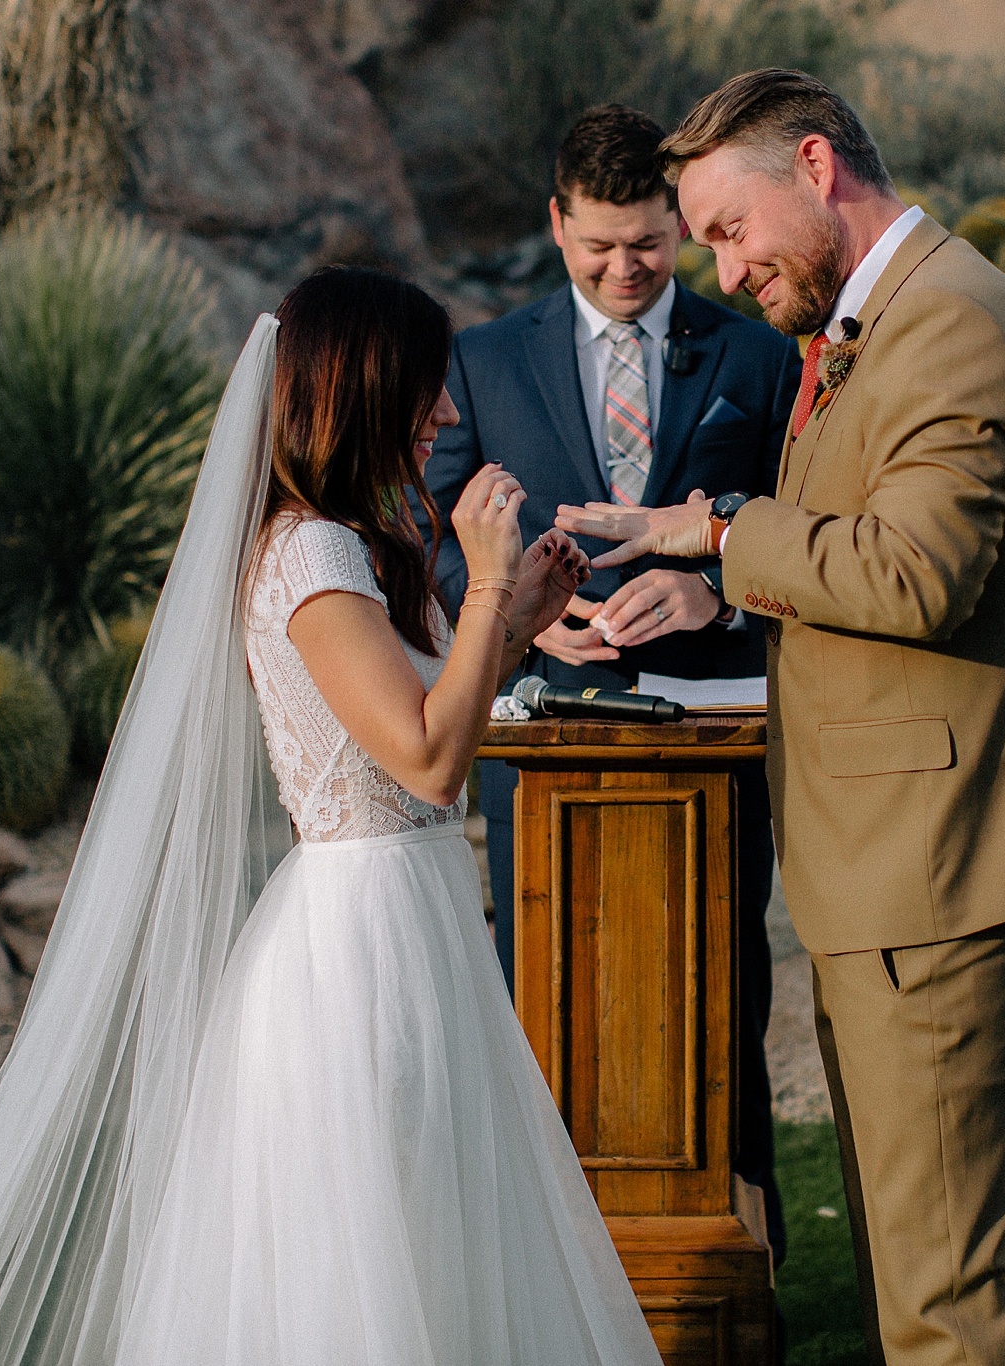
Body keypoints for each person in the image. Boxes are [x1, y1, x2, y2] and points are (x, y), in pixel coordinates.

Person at [0, 268, 662, 1366]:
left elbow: (418, 719)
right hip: (362, 941)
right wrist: (480, 584)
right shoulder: (311, 552)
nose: (441, 414)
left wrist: (512, 620)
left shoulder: (342, 542)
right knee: (371, 1242)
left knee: (427, 1221)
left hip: (404, 915)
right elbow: (429, 763)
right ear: (363, 393)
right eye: (426, 390)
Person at [557, 71, 1005, 1366]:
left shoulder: (950, 324)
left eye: (729, 230)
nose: (724, 269)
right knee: (912, 1267)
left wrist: (716, 531)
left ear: (814, 168)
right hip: (895, 864)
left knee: (949, 1301)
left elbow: (916, 574)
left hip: (939, 864)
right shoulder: (874, 326)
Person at [424, 104, 800, 1260]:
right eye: (598, 246)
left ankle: (735, 1284)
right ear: (555, 224)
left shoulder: (756, 355)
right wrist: (526, 621)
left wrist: (719, 591)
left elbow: (798, 529)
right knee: (536, 1018)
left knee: (717, 1012)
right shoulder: (481, 360)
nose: (626, 267)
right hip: (541, 745)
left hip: (713, 748)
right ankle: (532, 1278)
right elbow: (432, 542)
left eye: (649, 242)